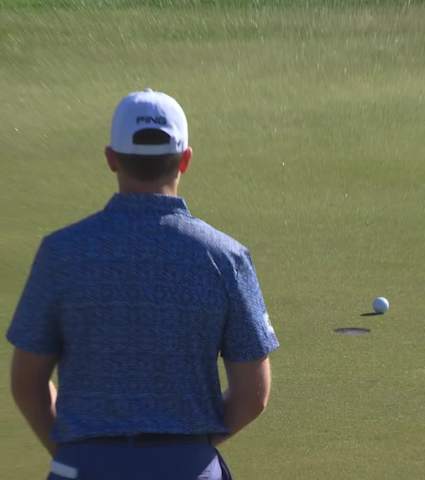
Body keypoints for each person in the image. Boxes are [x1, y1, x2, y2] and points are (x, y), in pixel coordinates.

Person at [7, 89, 280, 479]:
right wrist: (187, 447)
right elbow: (254, 394)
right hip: (187, 466)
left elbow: (27, 383)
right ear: (185, 159)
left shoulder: (61, 253)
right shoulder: (226, 258)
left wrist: (76, 448)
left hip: (84, 465)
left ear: (111, 158)